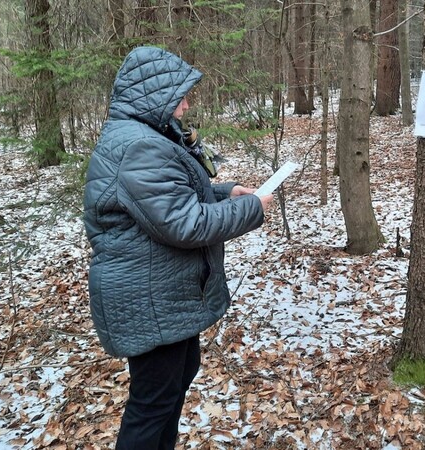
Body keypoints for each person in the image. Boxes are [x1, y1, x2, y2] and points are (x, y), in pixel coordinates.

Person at [83, 46, 272, 449]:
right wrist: (251, 208)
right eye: (179, 96)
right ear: (154, 97)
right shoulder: (140, 147)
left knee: (175, 381)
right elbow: (184, 224)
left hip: (160, 293)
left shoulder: (141, 137)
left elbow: (168, 198)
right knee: (152, 406)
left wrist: (224, 192)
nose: (186, 105)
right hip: (146, 295)